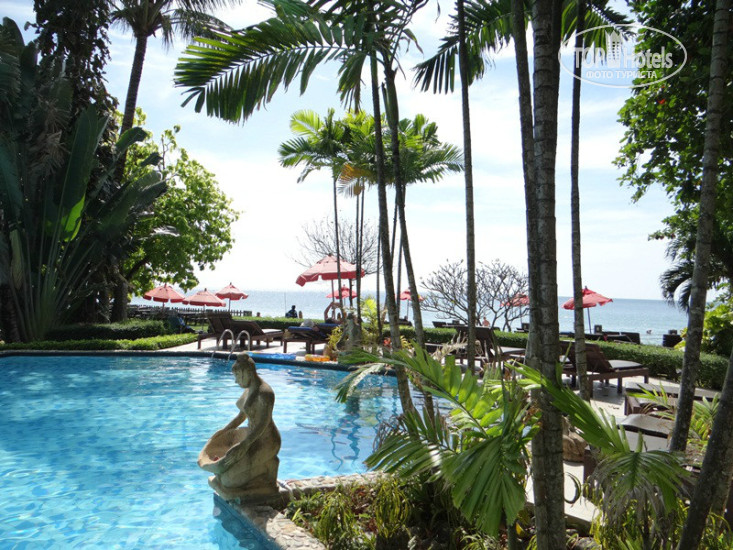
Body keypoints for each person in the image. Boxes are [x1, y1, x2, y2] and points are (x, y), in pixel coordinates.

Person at [198, 354, 281, 499]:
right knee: (222, 474)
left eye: (237, 376)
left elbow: (263, 423)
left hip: (266, 442)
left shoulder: (265, 393)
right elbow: (241, 417)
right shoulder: (248, 390)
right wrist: (223, 431)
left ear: (246, 372)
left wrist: (244, 444)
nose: (236, 381)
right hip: (251, 438)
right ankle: (261, 468)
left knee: (227, 481)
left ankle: (268, 469)